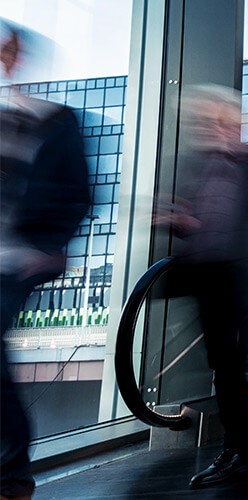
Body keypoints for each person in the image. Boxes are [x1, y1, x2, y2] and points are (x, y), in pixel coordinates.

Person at [157, 84, 248, 489]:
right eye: (206, 121)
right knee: (225, 364)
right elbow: (197, 220)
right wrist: (180, 222)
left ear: (240, 123)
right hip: (210, 278)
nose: (214, 128)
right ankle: (238, 449)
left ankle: (242, 445)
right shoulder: (197, 166)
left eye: (221, 120)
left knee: (233, 359)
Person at [0, 24, 91, 499]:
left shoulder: (58, 121)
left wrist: (51, 245)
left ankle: (12, 473)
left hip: (21, 259)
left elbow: (78, 193)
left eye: (11, 51)